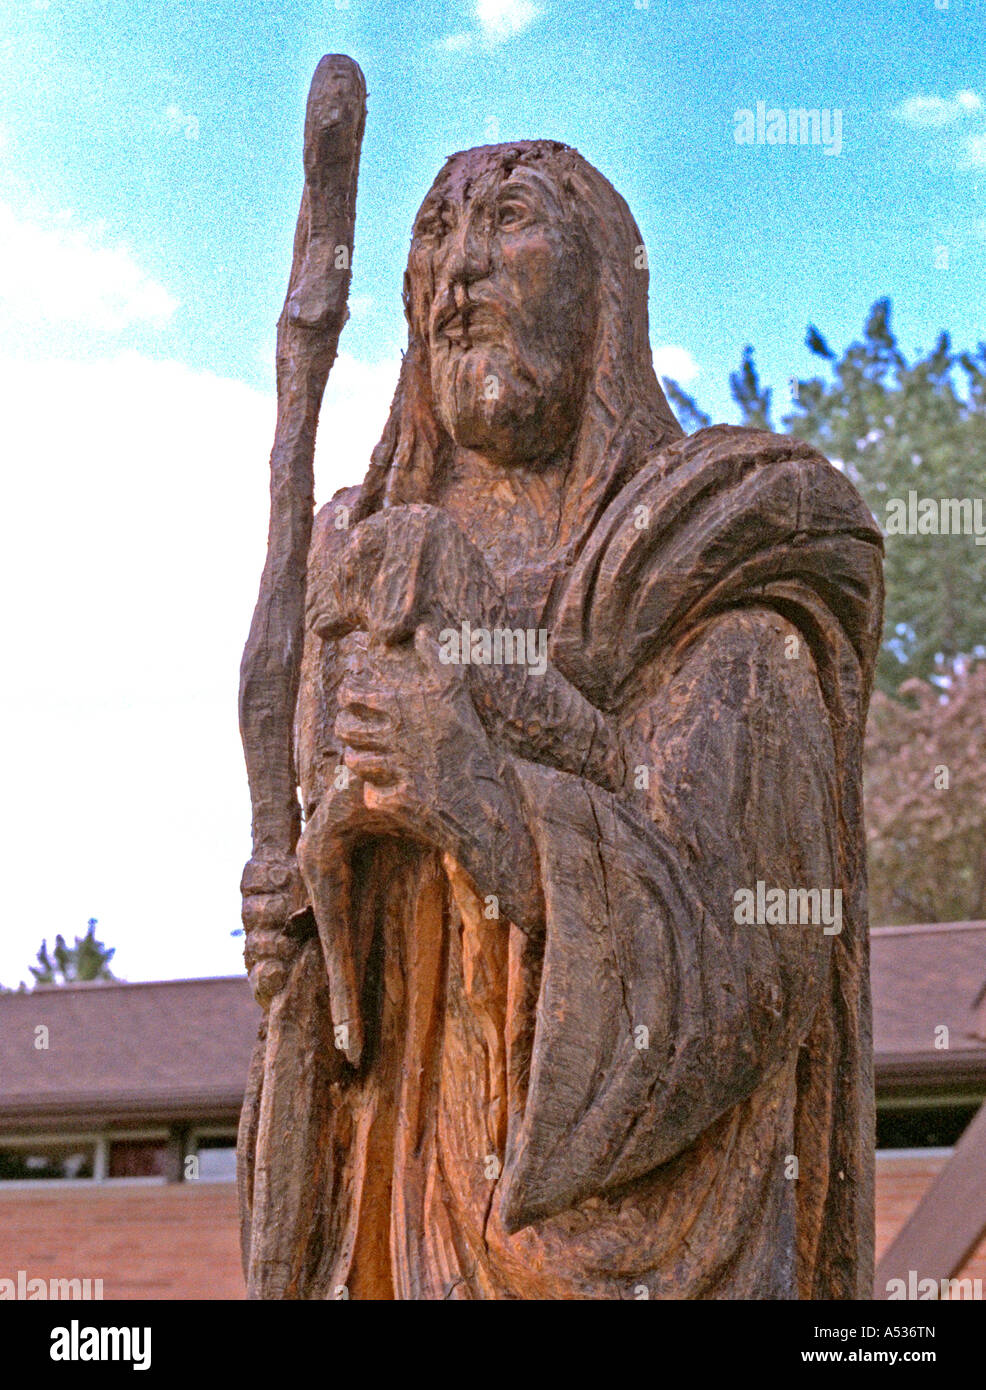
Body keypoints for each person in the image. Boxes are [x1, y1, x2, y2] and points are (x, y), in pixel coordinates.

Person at [238, 140, 884, 1300]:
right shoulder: (363, 577)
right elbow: (351, 1017)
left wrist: (494, 813)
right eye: (434, 234)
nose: (460, 272)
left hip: (633, 1252)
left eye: (510, 222)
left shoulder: (718, 569)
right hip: (403, 1222)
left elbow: (753, 959)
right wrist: (303, 928)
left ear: (605, 290)